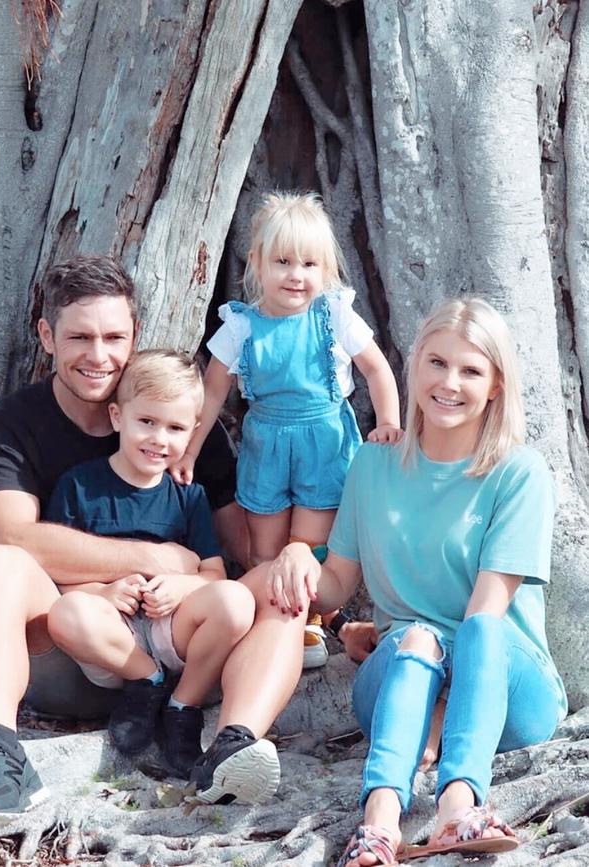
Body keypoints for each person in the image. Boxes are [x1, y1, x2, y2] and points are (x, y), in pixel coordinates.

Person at [266, 298, 567, 865]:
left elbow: (486, 613)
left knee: (473, 629)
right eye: (436, 363)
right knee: (418, 637)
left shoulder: (519, 473)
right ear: (413, 366)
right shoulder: (373, 464)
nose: (449, 383)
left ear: (496, 385)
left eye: (471, 370)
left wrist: (439, 715)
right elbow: (335, 583)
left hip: (507, 686)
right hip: (402, 681)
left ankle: (457, 807)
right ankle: (380, 824)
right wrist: (300, 555)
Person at [0, 254, 248, 835]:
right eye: (79, 337)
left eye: (114, 336)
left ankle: (212, 732)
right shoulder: (11, 424)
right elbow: (10, 534)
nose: (98, 355)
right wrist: (153, 558)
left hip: (175, 647)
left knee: (253, 594)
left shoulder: (180, 423)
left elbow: (234, 548)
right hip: (70, 645)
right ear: (47, 336)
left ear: (134, 335)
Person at [172, 191, 402, 667]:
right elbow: (211, 393)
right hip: (266, 446)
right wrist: (190, 451)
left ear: (326, 269)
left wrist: (389, 424)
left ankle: (311, 621)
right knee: (266, 547)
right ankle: (272, 614)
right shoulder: (241, 326)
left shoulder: (334, 315)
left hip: (324, 442)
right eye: (282, 261)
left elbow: (377, 371)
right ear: (257, 262)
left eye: (309, 264)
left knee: (309, 543)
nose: (296, 275)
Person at [44, 349, 255, 777]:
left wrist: (183, 587)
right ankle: (147, 682)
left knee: (235, 600)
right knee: (66, 612)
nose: (160, 439)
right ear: (118, 416)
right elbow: (58, 577)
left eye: (175, 428)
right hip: (113, 639)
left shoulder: (188, 496)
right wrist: (102, 592)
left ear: (193, 432)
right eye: (147, 422)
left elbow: (213, 572)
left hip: (168, 627)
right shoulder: (80, 485)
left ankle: (183, 706)